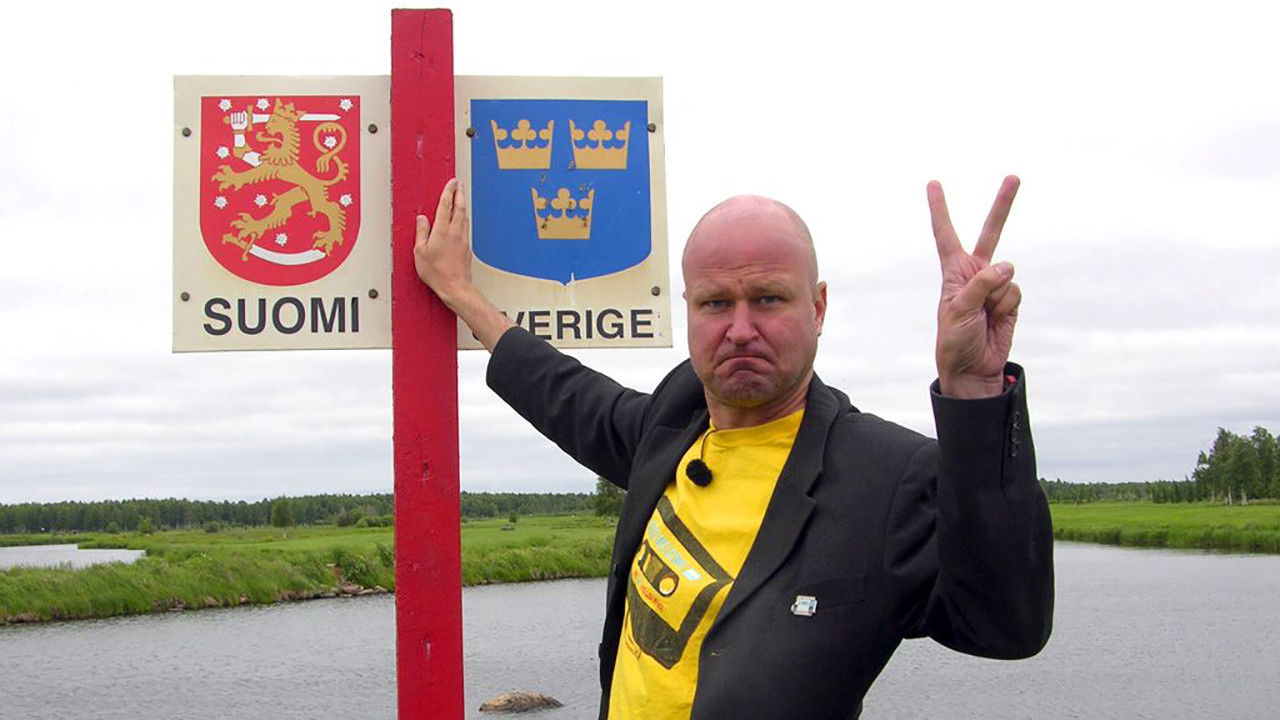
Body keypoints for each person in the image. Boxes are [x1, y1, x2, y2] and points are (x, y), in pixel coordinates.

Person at [414, 177, 1053, 720]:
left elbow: (1006, 624)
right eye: (716, 302)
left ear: (818, 307)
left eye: (768, 298)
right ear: (689, 308)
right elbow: (568, 394)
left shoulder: (888, 478)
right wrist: (461, 294)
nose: (740, 329)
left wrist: (974, 389)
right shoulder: (673, 421)